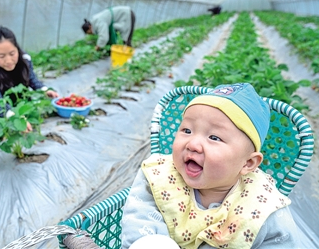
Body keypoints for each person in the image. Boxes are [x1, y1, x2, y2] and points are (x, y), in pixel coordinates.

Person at [120, 83, 300, 248]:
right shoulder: (158, 176)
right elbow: (139, 223)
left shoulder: (261, 207)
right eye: (187, 130)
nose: (192, 144)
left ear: (248, 163)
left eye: (214, 138)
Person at [0, 25, 58, 132]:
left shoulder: (24, 58)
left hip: (17, 105)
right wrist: (12, 115)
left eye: (12, 53)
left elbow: (31, 79)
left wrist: (44, 90)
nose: (8, 60)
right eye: (1, 56)